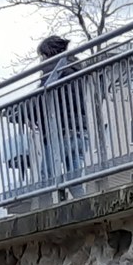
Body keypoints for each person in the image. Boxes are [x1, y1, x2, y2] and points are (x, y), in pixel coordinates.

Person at [36, 35, 89, 181]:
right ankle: (82, 203)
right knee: (74, 181)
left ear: (49, 53)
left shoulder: (53, 69)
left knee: (47, 177)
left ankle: (46, 203)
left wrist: (20, 114)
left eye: (43, 55)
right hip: (80, 131)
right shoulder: (74, 68)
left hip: (61, 132)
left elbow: (41, 100)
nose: (42, 60)